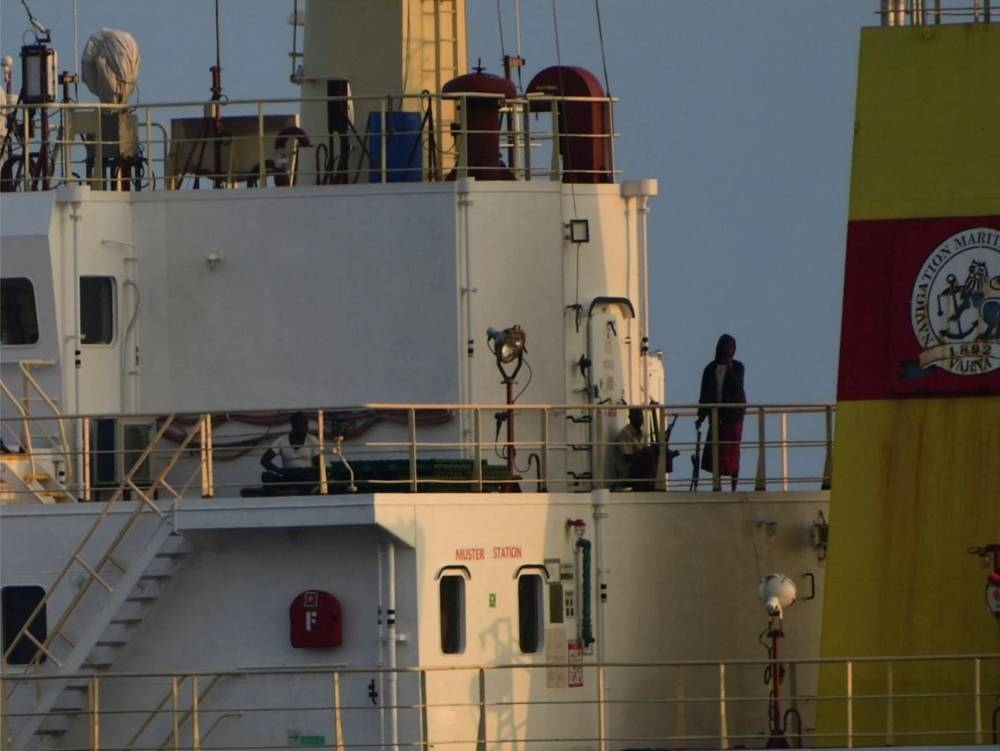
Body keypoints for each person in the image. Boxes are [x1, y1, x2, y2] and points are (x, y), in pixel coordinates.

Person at [695, 334, 746, 491]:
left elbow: (737, 386)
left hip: (733, 416)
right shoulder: (710, 369)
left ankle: (733, 487)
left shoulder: (738, 367)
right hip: (716, 416)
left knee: (733, 453)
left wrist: (729, 368)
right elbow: (705, 393)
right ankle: (717, 485)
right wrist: (701, 416)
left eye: (731, 347)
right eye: (726, 346)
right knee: (716, 452)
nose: (728, 350)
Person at [260, 411, 321, 493]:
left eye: (306, 424)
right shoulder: (281, 440)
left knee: (314, 474)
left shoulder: (312, 440)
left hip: (305, 476)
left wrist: (306, 472)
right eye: (302, 423)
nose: (305, 426)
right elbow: (264, 460)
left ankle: (290, 490)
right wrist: (279, 471)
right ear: (293, 424)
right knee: (266, 476)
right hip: (288, 475)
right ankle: (292, 490)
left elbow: (319, 465)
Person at [615, 407, 648, 487]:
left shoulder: (644, 434)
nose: (639, 418)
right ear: (629, 417)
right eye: (636, 415)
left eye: (640, 415)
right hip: (628, 473)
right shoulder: (625, 433)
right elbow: (627, 457)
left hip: (641, 471)